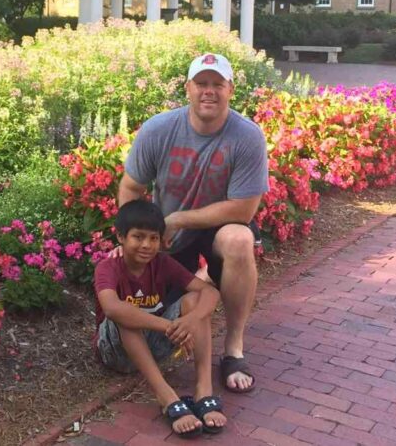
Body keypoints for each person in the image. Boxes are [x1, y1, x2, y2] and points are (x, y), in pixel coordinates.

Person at [117, 53, 268, 394]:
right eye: (201, 84)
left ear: (231, 89)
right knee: (158, 311)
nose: (209, 92)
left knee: (240, 240)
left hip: (217, 228)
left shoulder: (247, 137)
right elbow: (131, 187)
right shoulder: (159, 129)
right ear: (188, 89)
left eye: (217, 84)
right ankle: (199, 281)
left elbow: (243, 210)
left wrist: (180, 218)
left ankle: (233, 349)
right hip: (170, 238)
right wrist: (131, 238)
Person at [94, 199, 226, 438]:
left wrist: (192, 320)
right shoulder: (109, 266)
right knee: (126, 312)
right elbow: (111, 308)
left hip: (153, 346)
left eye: (154, 238)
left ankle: (203, 389)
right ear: (121, 237)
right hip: (116, 351)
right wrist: (168, 326)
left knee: (196, 301)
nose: (147, 245)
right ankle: (165, 395)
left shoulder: (162, 262)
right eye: (138, 237)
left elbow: (210, 291)